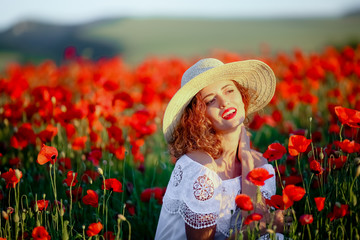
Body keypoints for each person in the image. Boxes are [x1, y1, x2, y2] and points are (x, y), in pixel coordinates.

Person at [155, 58, 285, 240]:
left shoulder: (258, 163)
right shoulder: (201, 168)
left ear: (242, 96)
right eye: (210, 101)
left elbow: (254, 221)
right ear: (198, 116)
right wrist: (265, 227)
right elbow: (257, 229)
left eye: (229, 90)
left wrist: (247, 160)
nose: (224, 102)